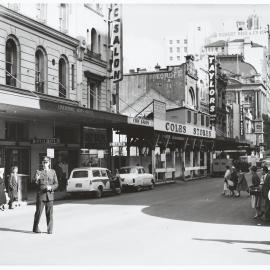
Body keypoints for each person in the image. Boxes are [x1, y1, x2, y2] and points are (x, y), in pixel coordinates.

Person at [33, 156, 58, 234]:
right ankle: (35, 228)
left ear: (49, 163)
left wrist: (51, 187)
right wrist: (36, 179)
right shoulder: (38, 172)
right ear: (42, 163)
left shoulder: (53, 172)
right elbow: (35, 183)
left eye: (46, 162)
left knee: (50, 214)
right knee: (38, 213)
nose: (45, 164)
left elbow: (56, 184)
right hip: (41, 196)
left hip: (50, 195)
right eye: (44, 162)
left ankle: (50, 229)